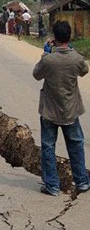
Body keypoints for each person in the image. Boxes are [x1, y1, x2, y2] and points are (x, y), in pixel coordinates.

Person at [33, 21, 90, 196]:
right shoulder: (77, 58)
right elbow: (84, 70)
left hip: (50, 111)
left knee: (48, 147)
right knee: (76, 145)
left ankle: (52, 186)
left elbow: (36, 74)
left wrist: (45, 54)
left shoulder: (49, 60)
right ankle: (81, 181)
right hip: (70, 111)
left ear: (54, 37)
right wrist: (70, 50)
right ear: (69, 37)